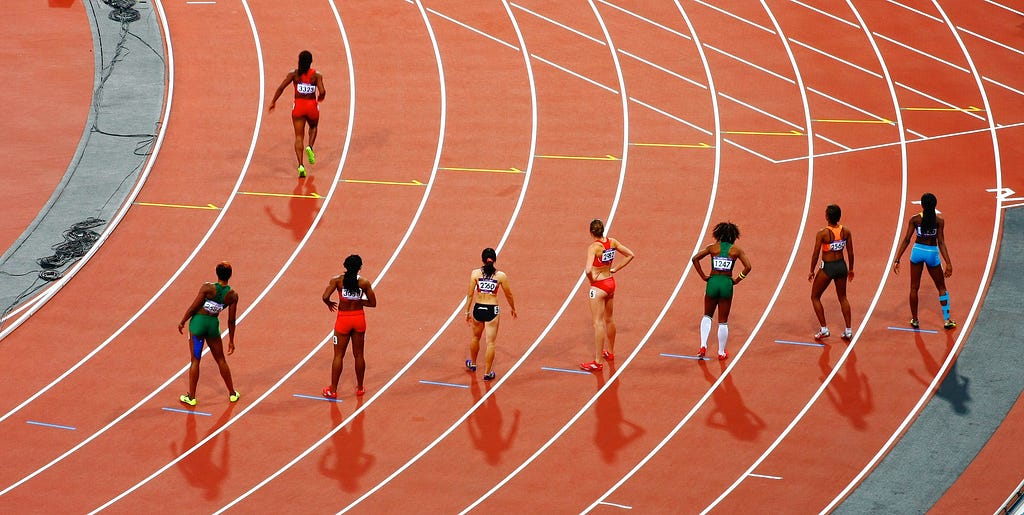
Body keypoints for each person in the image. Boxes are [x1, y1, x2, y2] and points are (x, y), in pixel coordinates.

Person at [178, 262, 240, 406]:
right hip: (213, 326)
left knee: (195, 360)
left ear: (216, 273)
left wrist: (183, 321)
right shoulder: (232, 295)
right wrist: (231, 340)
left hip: (198, 325)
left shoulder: (207, 287)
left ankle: (191, 397)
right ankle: (232, 393)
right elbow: (231, 320)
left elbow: (193, 307)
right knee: (221, 360)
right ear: (230, 275)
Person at [892, 193, 956, 329]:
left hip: (917, 252)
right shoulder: (939, 221)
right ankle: (947, 320)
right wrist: (948, 263)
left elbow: (906, 239)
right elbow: (941, 242)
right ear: (935, 205)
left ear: (922, 205)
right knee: (941, 287)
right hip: (932, 253)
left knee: (914, 288)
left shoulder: (915, 219)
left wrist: (897, 258)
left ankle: (915, 320)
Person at [691, 222, 752, 360]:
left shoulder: (713, 248)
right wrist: (737, 279)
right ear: (734, 236)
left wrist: (703, 276)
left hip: (712, 282)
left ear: (718, 234)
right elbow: (748, 266)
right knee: (723, 320)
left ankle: (703, 346)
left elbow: (695, 259)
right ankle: (720, 352)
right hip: (726, 283)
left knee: (707, 315)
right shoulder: (736, 251)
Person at [582, 219, 635, 372]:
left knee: (597, 323)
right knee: (609, 319)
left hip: (598, 286)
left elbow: (587, 270)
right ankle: (610, 352)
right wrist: (616, 268)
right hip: (610, 282)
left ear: (591, 232)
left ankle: (598, 362)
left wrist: (592, 281)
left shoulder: (593, 248)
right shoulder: (612, 242)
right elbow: (630, 255)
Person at [322, 255, 376, 398]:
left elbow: (325, 297)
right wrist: (359, 302)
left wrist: (329, 303)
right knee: (359, 355)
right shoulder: (364, 282)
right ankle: (360, 388)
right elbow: (373, 303)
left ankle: (333, 390)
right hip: (359, 319)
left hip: (343, 320)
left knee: (338, 355)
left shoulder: (337, 280)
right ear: (360, 267)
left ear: (345, 265)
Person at [269, 50, 326, 178]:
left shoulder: (294, 74)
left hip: (298, 107)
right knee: (313, 126)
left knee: (298, 137)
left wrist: (273, 101)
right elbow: (322, 91)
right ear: (311, 62)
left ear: (299, 61)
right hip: (311, 105)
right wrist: (321, 97)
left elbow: (281, 88)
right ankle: (310, 147)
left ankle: (301, 166)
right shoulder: (317, 75)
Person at [464, 248, 517, 381]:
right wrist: (513, 308)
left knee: (475, 337)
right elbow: (508, 294)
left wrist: (467, 311)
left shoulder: (475, 273)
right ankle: (487, 373)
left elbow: (470, 294)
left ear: (482, 259)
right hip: (492, 310)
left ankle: (474, 364)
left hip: (478, 308)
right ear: (494, 260)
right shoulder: (500, 276)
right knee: (491, 343)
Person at [808, 204, 855, 341]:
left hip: (828, 268)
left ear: (827, 217)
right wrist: (851, 269)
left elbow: (815, 254)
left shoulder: (822, 233)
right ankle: (848, 331)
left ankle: (824, 329)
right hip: (841, 266)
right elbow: (850, 252)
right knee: (843, 298)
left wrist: (811, 270)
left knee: (815, 296)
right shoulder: (846, 231)